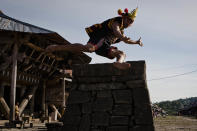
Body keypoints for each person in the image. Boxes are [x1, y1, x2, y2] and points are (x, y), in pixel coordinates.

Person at [46, 8, 143, 69]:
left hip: (105, 46)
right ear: (124, 17)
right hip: (99, 37)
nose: (129, 23)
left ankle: (118, 63)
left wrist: (136, 42)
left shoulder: (122, 32)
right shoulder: (117, 21)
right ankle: (56, 47)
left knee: (121, 54)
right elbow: (116, 30)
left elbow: (126, 39)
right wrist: (122, 37)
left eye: (131, 22)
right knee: (88, 48)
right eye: (129, 20)